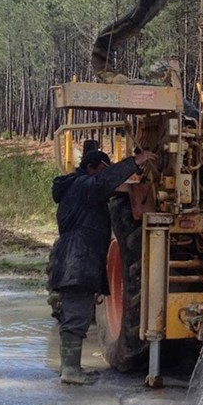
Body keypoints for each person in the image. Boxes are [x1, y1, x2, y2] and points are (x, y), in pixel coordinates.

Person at [48, 145, 156, 384]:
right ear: (91, 168)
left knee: (78, 314)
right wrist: (135, 162)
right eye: (102, 169)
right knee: (76, 315)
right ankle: (70, 371)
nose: (105, 175)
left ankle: (71, 368)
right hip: (77, 260)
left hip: (76, 259)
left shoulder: (76, 188)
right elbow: (103, 183)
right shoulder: (83, 185)